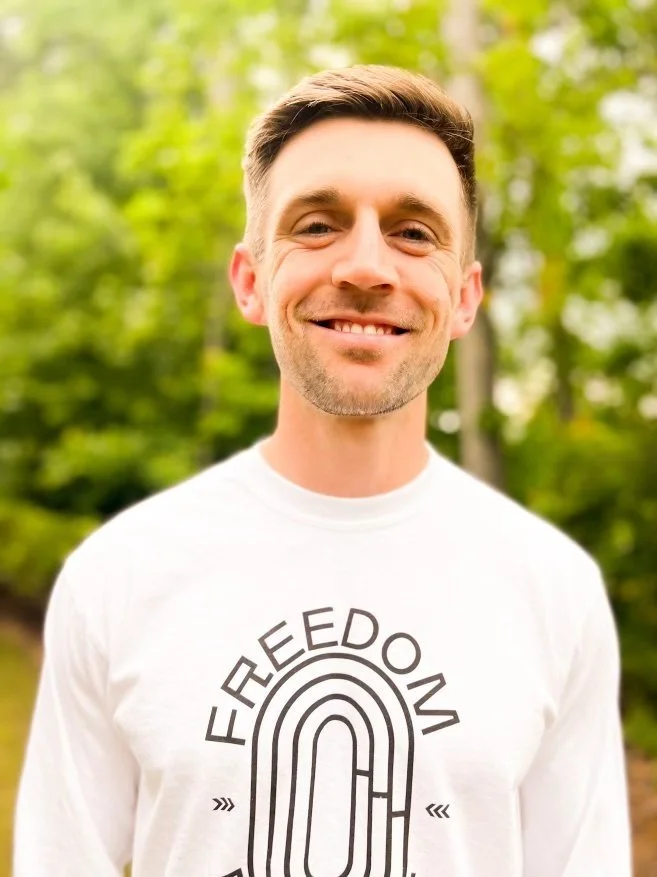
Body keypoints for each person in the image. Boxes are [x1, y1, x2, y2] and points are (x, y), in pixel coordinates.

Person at [14, 65, 631, 877]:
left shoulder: (553, 591)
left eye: (413, 232)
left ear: (464, 296)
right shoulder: (119, 577)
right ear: (250, 281)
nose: (366, 267)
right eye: (316, 225)